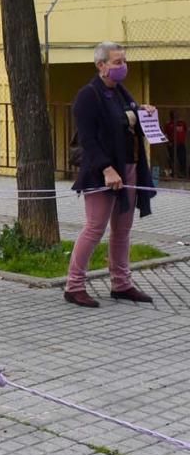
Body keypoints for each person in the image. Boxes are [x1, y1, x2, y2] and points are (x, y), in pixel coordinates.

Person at [64, 41, 156, 308]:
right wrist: (107, 169)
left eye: (124, 61)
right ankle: (74, 285)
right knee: (94, 228)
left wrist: (143, 112)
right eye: (117, 62)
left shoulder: (121, 93)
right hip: (101, 172)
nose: (122, 67)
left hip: (129, 167)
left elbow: (124, 120)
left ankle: (121, 283)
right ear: (101, 65)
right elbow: (88, 139)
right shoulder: (88, 95)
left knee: (122, 230)